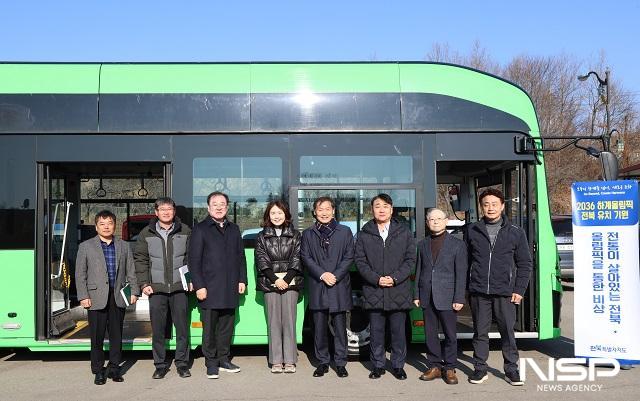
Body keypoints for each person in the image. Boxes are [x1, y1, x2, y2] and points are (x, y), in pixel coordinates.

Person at [465, 188, 532, 386]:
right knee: (480, 332)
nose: (490, 208)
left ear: (502, 206)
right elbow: (466, 261)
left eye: (494, 204)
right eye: (486, 204)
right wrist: (466, 288)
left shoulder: (515, 232)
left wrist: (519, 290)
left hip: (505, 292)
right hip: (479, 291)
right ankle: (479, 369)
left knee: (507, 332)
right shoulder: (472, 230)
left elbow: (525, 264)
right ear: (481, 207)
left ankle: (511, 369)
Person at [355, 193, 416, 380]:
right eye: (377, 206)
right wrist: (376, 279)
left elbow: (410, 259)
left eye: (385, 206)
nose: (381, 210)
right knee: (376, 333)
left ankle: (398, 366)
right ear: (372, 210)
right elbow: (360, 261)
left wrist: (395, 278)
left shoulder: (404, 232)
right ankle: (378, 366)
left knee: (398, 332)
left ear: (391, 209)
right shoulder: (364, 233)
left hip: (398, 290)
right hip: (374, 290)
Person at [75, 210, 139, 385]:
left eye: (109, 223)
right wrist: (83, 296)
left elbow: (131, 271)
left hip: (117, 296)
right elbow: (80, 274)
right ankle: (98, 371)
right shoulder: (86, 246)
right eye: (102, 224)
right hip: (95, 297)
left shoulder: (124, 246)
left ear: (114, 226)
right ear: (96, 227)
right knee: (97, 336)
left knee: (116, 335)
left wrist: (134, 291)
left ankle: (114, 368)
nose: (106, 227)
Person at [189, 191, 247, 379]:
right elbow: (194, 260)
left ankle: (224, 359)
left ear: (227, 207)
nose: (219, 207)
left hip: (230, 286)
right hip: (209, 288)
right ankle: (211, 363)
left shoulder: (234, 228)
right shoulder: (201, 229)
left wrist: (242, 280)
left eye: (223, 203)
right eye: (215, 204)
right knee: (209, 329)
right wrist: (199, 285)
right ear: (208, 207)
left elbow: (241, 257)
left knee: (226, 327)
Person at [134, 197, 192, 379]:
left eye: (169, 209)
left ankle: (182, 364)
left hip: (179, 288)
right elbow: (140, 260)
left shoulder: (185, 231)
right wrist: (144, 283)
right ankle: (160, 364)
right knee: (158, 330)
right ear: (156, 212)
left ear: (174, 212)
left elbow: (191, 258)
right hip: (156, 290)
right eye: (162, 209)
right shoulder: (146, 233)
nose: (166, 212)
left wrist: (191, 280)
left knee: (182, 329)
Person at [301, 196, 354, 378]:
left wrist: (336, 275)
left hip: (338, 285)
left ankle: (340, 363)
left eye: (327, 209)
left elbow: (349, 256)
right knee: (319, 327)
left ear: (333, 211)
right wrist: (323, 274)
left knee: (340, 328)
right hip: (318, 284)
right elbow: (306, 258)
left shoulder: (345, 231)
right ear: (315, 212)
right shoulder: (308, 234)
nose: (324, 212)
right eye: (320, 209)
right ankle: (322, 362)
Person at [414, 207, 468, 385]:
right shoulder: (422, 244)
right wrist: (417, 294)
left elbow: (461, 274)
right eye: (431, 219)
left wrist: (459, 298)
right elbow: (419, 270)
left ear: (446, 221)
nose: (435, 222)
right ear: (427, 222)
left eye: (439, 218)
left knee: (450, 334)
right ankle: (434, 366)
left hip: (448, 296)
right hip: (426, 295)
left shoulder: (457, 244)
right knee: (430, 334)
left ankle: (450, 367)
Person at [255, 200, 304, 374]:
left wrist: (288, 278)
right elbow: (261, 260)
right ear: (268, 215)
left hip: (291, 284)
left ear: (286, 215)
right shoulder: (261, 236)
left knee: (289, 321)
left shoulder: (296, 235)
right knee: (274, 322)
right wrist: (275, 279)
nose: (277, 216)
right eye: (273, 213)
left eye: (280, 213)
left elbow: (298, 257)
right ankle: (276, 360)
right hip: (270, 283)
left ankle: (290, 360)